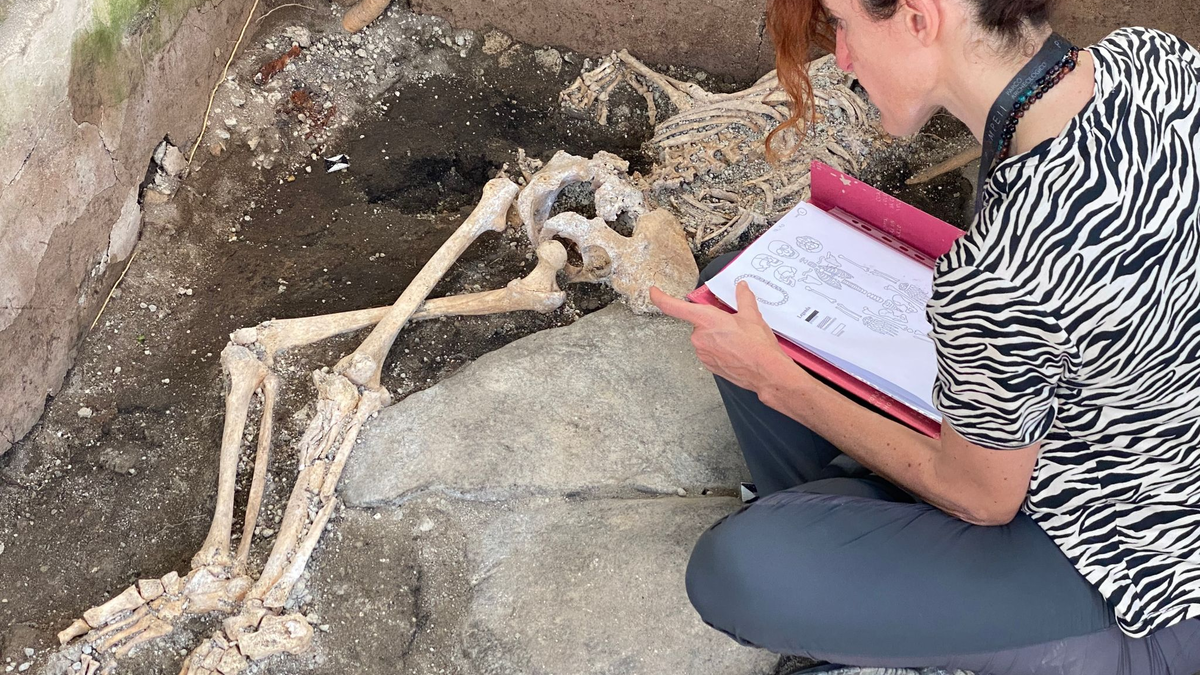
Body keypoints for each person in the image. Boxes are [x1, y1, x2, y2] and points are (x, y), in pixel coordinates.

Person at [649, 0, 1200, 672]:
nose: (841, 60)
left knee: (735, 570)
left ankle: (863, 595)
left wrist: (779, 382)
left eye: (844, 25)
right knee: (743, 291)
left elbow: (982, 497)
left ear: (918, 18)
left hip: (1137, 585)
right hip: (1131, 437)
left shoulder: (1006, 268)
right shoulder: (1156, 61)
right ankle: (862, 567)